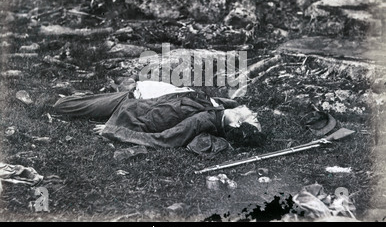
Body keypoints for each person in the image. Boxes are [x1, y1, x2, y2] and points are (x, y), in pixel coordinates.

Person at [53, 79, 264, 154]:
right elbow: (228, 104)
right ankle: (82, 95)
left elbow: (164, 139)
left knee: (63, 105)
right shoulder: (220, 108)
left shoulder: (203, 121)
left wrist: (114, 131)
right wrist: (233, 106)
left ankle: (62, 99)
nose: (254, 113)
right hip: (142, 96)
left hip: (129, 106)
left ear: (236, 123)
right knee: (80, 102)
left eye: (253, 118)